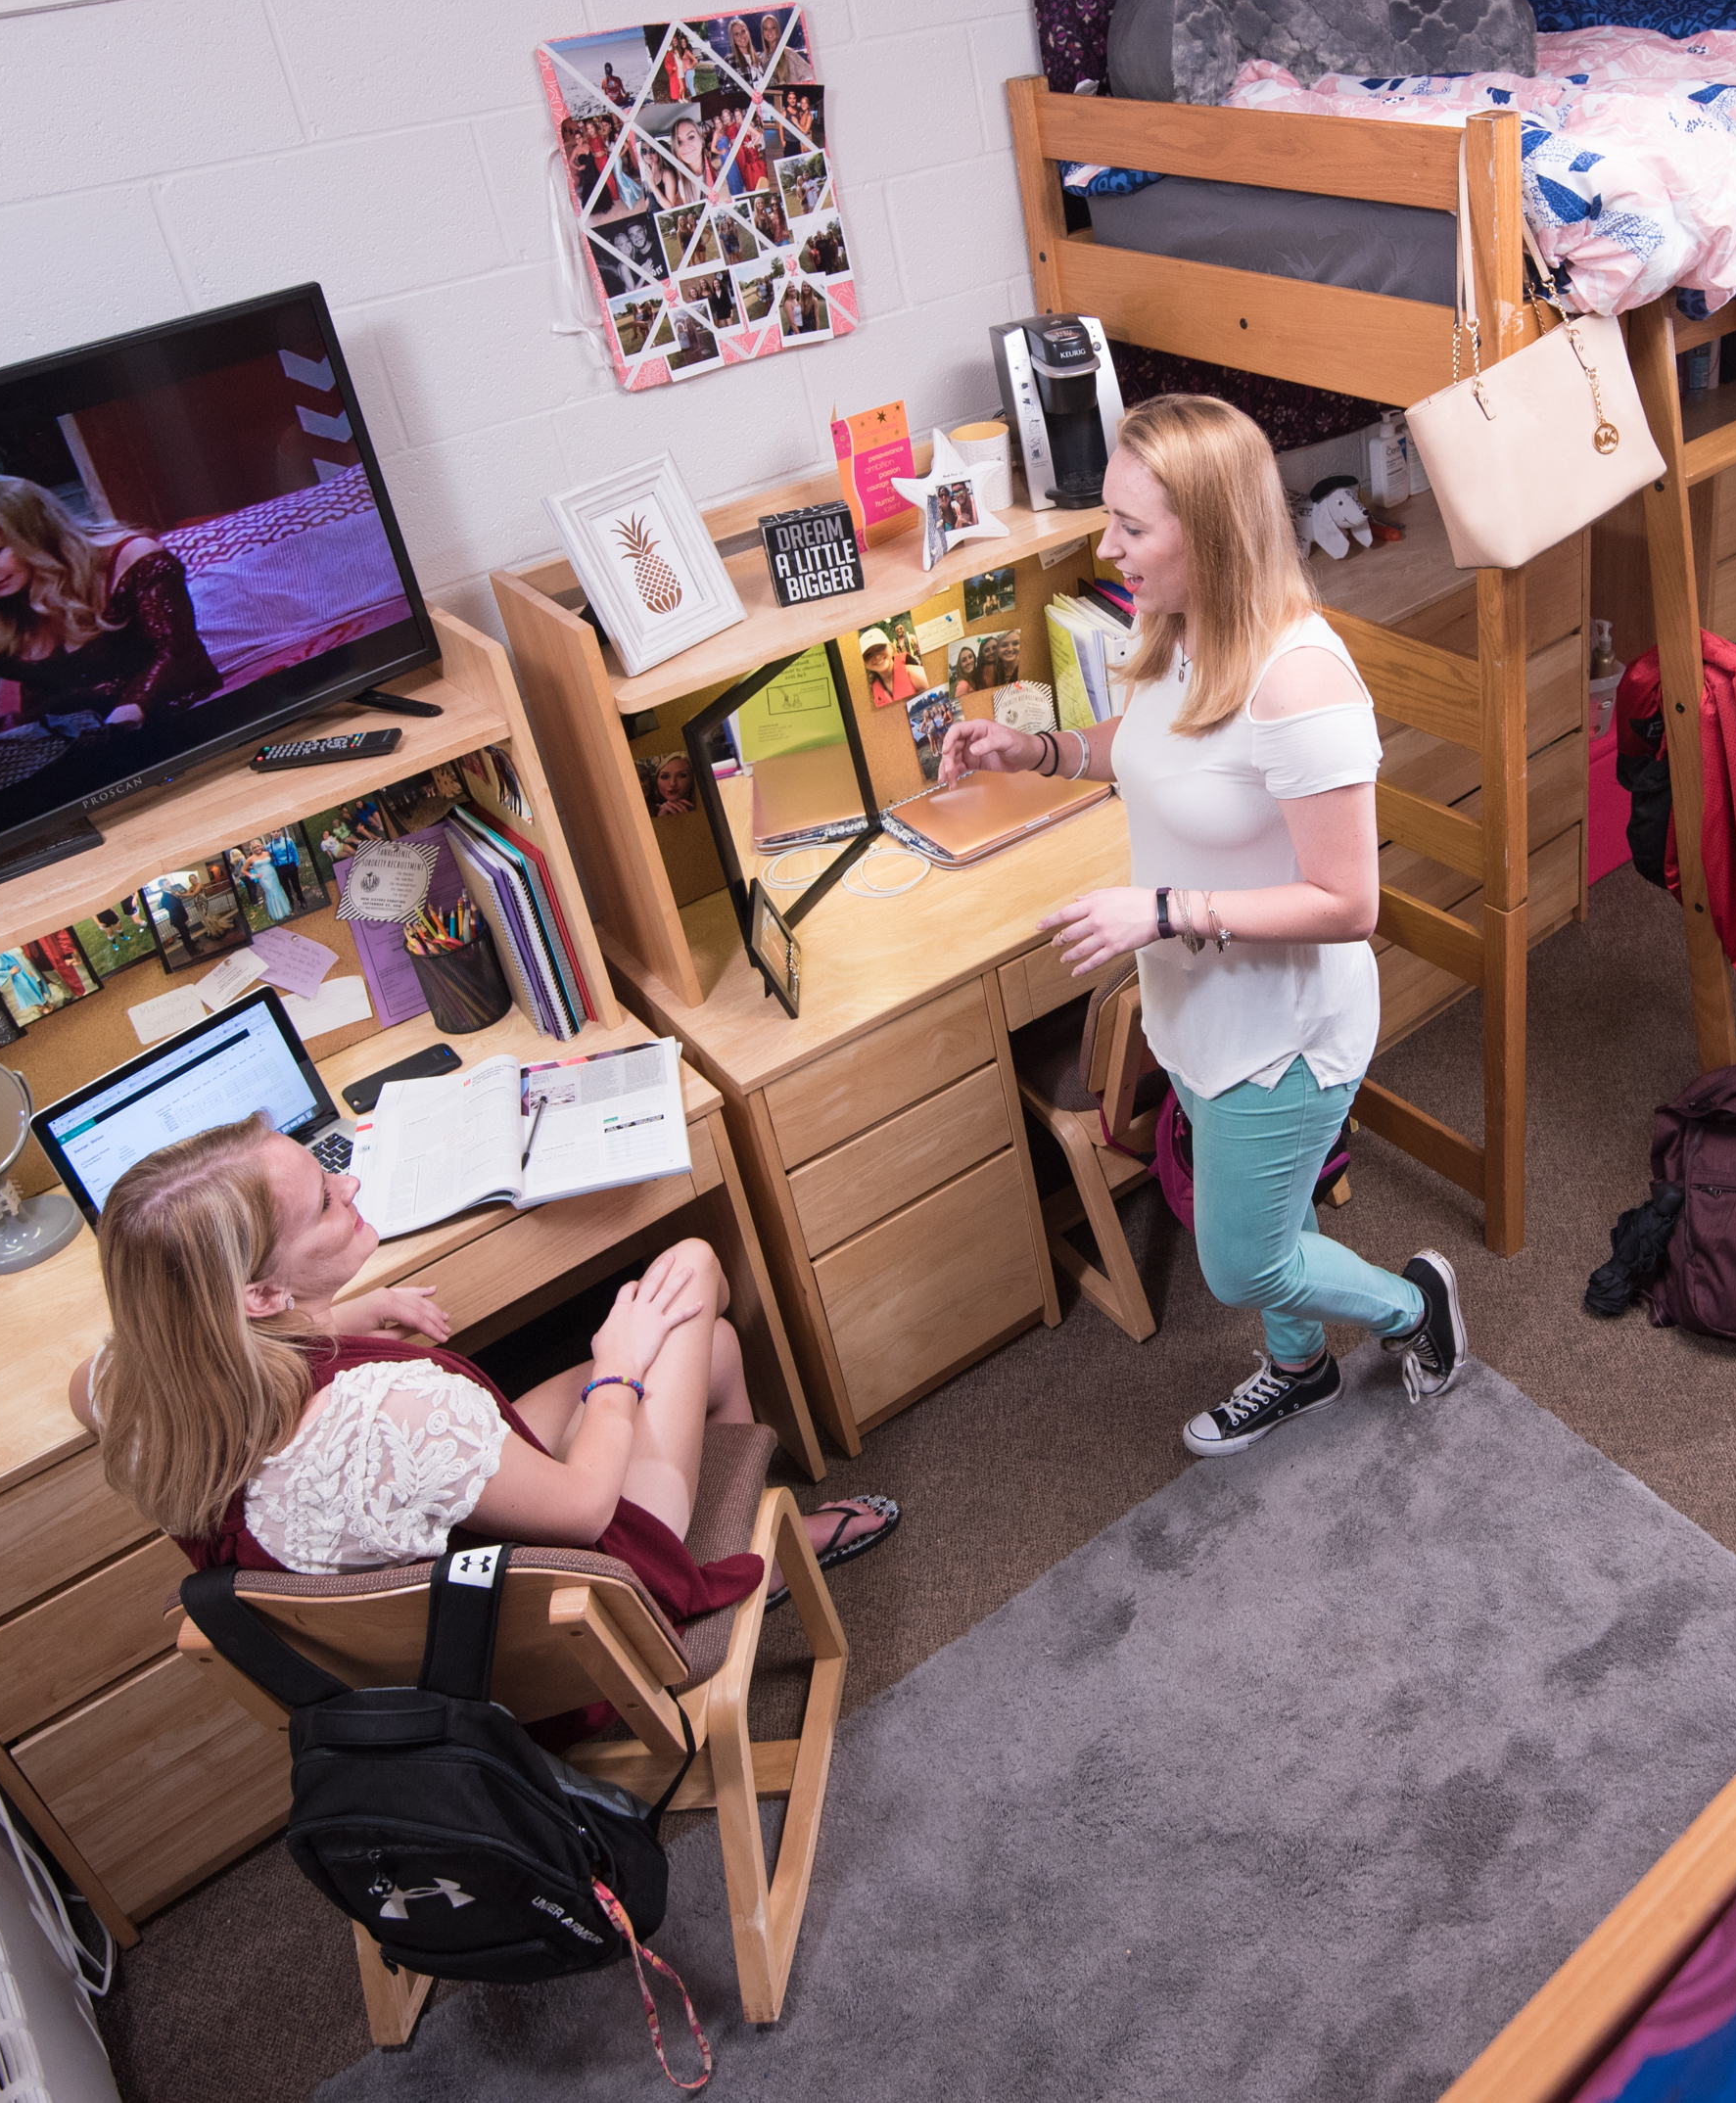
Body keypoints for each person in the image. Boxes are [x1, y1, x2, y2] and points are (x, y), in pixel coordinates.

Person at [942, 394, 1465, 1456]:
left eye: (1131, 529)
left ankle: (1416, 1310)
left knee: (1242, 1261)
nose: (1107, 546)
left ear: (1212, 530)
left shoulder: (1303, 683)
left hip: (1284, 1038)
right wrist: (1036, 754)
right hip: (1194, 1010)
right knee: (1270, 1221)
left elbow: (1347, 903)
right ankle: (1300, 1368)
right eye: (1111, 520)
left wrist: (1165, 911)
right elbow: (1147, 750)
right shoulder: (1178, 628)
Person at [80, 1117, 901, 1591]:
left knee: (715, 1351)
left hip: (452, 1591)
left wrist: (352, 1306)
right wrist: (615, 1368)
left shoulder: (139, 1385)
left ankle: (754, 1542)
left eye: (330, 1168)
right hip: (578, 1603)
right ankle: (735, 1572)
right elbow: (583, 1510)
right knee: (690, 1271)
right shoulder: (393, 1410)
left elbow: (85, 1374)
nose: (354, 1187)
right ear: (259, 1298)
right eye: (327, 1204)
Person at [0, 474, 215, 737]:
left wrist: (130, 710)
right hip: (60, 738)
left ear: (37, 536)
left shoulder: (132, 560)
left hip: (166, 711)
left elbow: (177, 652)